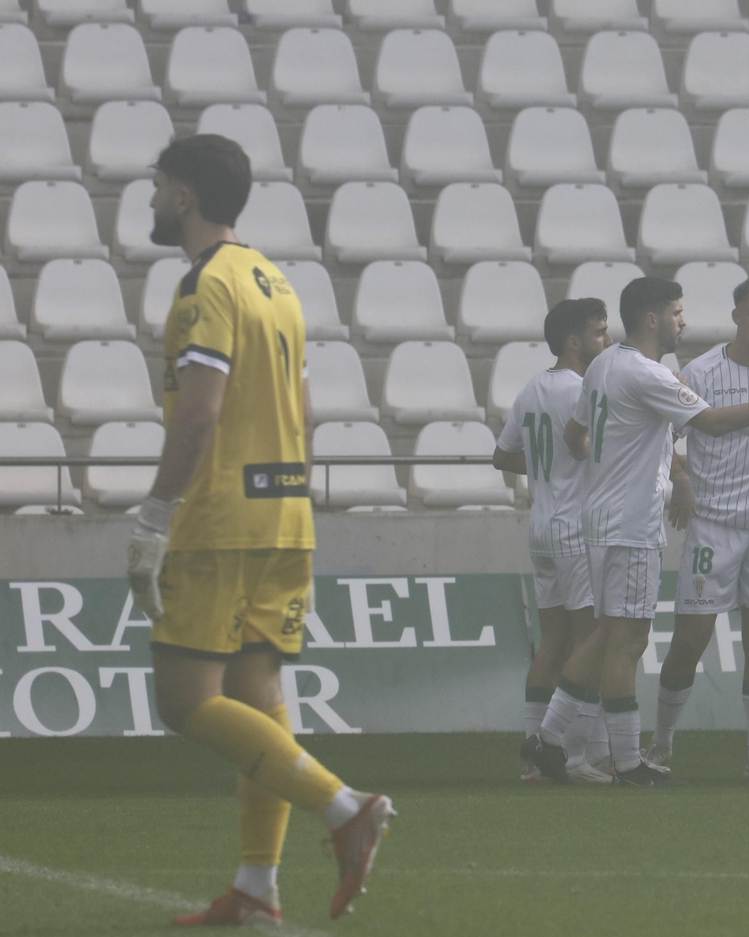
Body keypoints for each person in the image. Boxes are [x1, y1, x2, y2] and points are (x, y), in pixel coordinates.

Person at [126, 135, 391, 926]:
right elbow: (305, 415)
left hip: (220, 520)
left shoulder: (205, 286)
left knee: (183, 700)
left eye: (158, 185)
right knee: (257, 694)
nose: (151, 200)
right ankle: (255, 885)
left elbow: (201, 414)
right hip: (286, 511)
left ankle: (344, 807)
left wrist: (154, 514)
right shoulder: (278, 282)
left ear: (184, 194)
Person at [525, 277, 749, 787]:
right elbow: (710, 423)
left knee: (607, 633)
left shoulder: (603, 365)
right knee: (629, 639)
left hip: (601, 516)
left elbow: (576, 434)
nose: (682, 321)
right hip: (631, 522)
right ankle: (628, 760)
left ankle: (548, 738)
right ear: (653, 318)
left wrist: (607, 465)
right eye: (676, 312)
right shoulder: (653, 375)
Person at [646, 277, 749, 779]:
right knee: (689, 642)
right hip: (712, 527)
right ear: (737, 315)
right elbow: (662, 437)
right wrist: (682, 478)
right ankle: (661, 745)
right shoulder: (700, 372)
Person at [494, 298, 614, 785]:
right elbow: (597, 452)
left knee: (552, 646)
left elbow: (502, 457)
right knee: (591, 645)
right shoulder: (583, 390)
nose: (606, 342)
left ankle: (532, 761)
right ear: (574, 341)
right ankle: (571, 755)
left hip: (542, 526)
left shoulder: (532, 389)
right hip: (576, 530)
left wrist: (547, 470)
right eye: (599, 333)